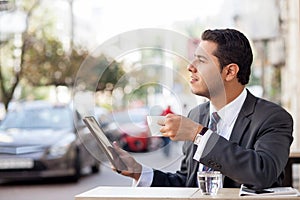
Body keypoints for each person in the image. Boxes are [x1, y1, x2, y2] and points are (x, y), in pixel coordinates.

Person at [113, 28, 293, 190]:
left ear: (230, 72)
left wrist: (199, 134)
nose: (190, 67)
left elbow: (263, 174)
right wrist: (138, 172)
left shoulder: (272, 118)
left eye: (201, 60)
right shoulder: (197, 115)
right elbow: (187, 182)